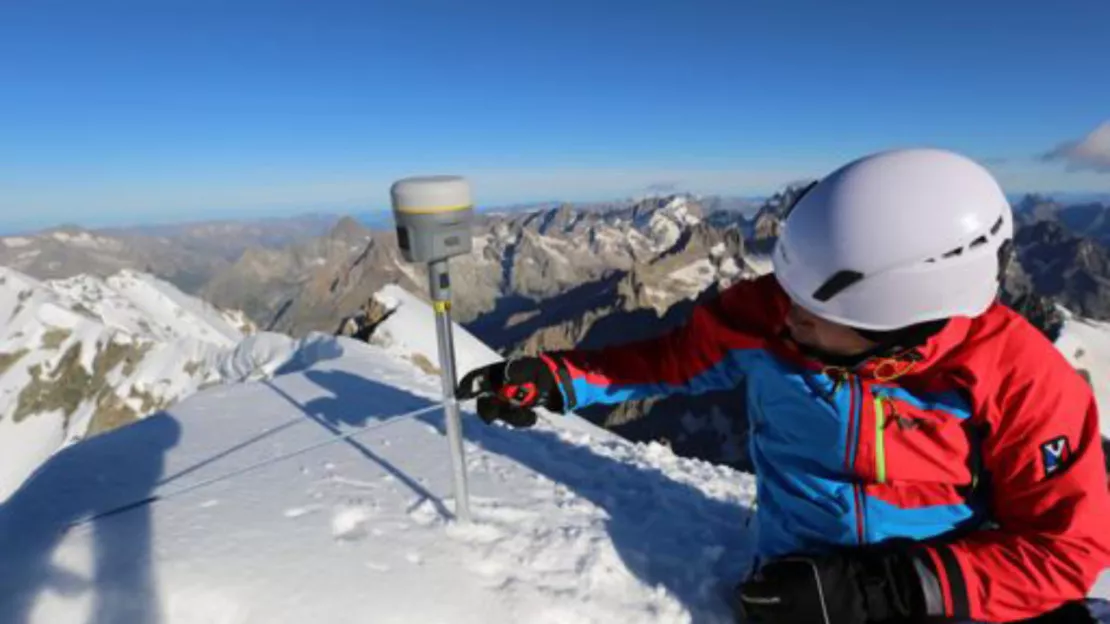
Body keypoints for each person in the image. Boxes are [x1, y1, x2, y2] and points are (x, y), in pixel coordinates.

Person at [457, 148, 1110, 623]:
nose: (787, 314)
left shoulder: (1024, 383)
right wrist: (555, 376)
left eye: (817, 314)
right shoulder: (775, 310)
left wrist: (881, 592)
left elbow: (1064, 550)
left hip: (936, 602)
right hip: (790, 590)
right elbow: (674, 360)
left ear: (902, 325)